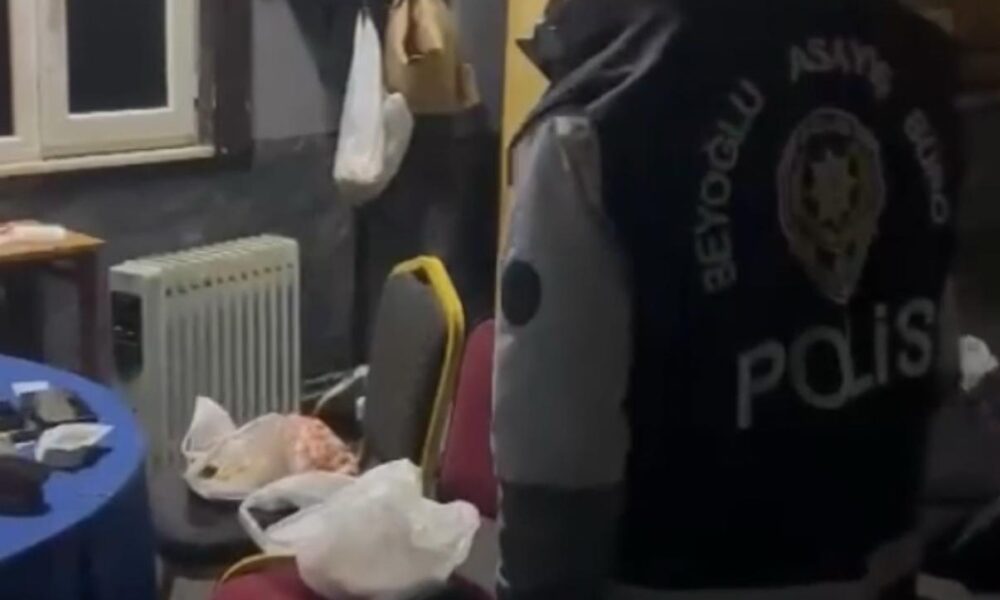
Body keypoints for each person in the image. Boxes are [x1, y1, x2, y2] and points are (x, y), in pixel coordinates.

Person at [493, 0, 962, 599]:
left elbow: (554, 463)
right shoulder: (922, 70)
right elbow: (936, 371)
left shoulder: (601, 115)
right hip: (884, 572)